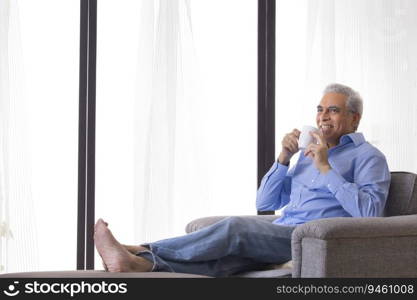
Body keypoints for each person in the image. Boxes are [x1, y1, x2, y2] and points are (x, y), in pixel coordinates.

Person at [94, 83, 391, 277]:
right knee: (224, 262)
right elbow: (265, 202)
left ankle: (144, 249)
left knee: (233, 228)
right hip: (282, 230)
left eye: (333, 110)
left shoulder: (369, 158)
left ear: (354, 119)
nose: (323, 116)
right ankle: (138, 264)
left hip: (312, 238)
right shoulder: (309, 152)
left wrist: (327, 169)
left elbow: (370, 214)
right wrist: (283, 158)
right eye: (320, 109)